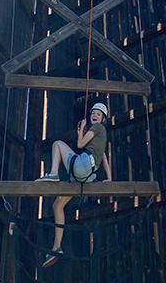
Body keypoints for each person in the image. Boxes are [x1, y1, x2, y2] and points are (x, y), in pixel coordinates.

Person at [35, 102, 112, 268]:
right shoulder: (100, 138)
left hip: (82, 166)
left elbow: (79, 145)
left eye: (98, 114)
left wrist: (81, 130)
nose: (95, 115)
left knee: (57, 144)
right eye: (93, 113)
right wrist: (110, 178)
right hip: (87, 175)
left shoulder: (97, 128)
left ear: (103, 119)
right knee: (57, 206)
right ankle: (56, 247)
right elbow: (104, 158)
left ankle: (54, 174)